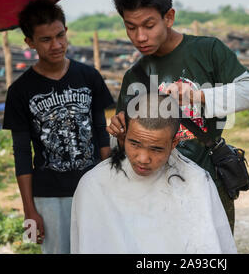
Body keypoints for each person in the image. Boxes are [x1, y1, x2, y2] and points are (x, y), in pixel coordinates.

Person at [107, 0, 249, 232]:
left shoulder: (207, 51)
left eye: (148, 25)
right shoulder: (134, 75)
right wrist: (119, 135)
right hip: (157, 190)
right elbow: (129, 147)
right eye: (130, 27)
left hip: (210, 184)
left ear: (168, 17)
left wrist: (200, 95)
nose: (140, 37)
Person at [3, 0, 114, 254]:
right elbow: (21, 153)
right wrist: (29, 210)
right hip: (49, 196)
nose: (57, 45)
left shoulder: (89, 76)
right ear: (29, 42)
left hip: (93, 188)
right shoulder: (20, 91)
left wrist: (110, 186)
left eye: (60, 35)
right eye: (45, 40)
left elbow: (102, 133)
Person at [71, 94, 237, 254]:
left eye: (156, 149)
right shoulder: (95, 185)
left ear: (174, 143)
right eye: (134, 143)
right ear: (124, 134)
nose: (143, 159)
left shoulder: (196, 182)